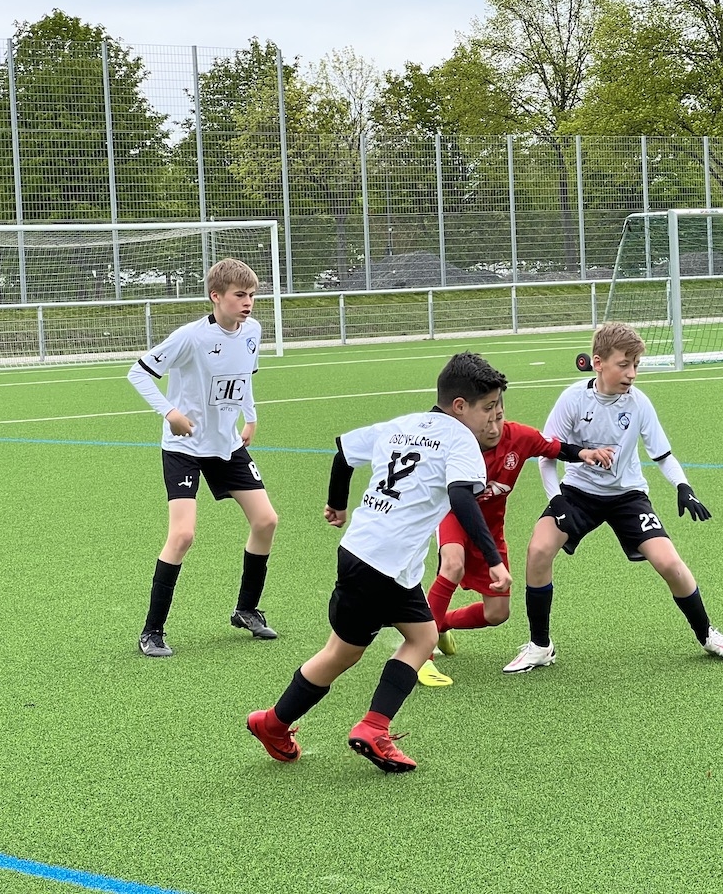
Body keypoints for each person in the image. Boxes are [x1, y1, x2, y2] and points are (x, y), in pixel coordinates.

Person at [246, 352, 509, 773]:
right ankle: (346, 727)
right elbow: (461, 497)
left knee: (405, 640)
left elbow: (344, 452)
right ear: (460, 406)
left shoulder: (401, 425)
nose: (493, 417)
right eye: (488, 408)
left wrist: (337, 503)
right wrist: (493, 560)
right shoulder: (461, 441)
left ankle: (292, 724)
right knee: (361, 650)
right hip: (384, 564)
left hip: (362, 553)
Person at [503, 321, 723, 674]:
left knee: (669, 563)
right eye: (624, 364)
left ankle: (707, 634)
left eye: (636, 365)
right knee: (538, 550)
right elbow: (547, 455)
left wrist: (684, 487)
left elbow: (662, 454)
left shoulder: (639, 403)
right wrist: (556, 501)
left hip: (627, 495)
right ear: (598, 363)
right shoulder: (572, 399)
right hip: (578, 493)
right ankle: (540, 646)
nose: (632, 374)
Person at [127, 257, 280, 658]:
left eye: (252, 295)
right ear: (216, 296)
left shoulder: (253, 331)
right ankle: (152, 631)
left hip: (226, 445)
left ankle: (246, 610)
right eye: (240, 295)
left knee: (266, 521)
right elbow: (138, 373)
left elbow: (243, 379)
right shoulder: (190, 337)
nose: (248, 303)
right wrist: (170, 413)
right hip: (185, 447)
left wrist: (250, 416)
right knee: (182, 535)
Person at [419, 408, 613, 686]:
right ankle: (422, 656)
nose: (494, 427)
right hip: (453, 516)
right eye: (486, 421)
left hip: (490, 531)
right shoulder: (454, 442)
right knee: (453, 564)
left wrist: (584, 453)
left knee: (497, 613)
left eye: (498, 417)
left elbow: (554, 448)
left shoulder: (519, 437)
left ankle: (439, 623)